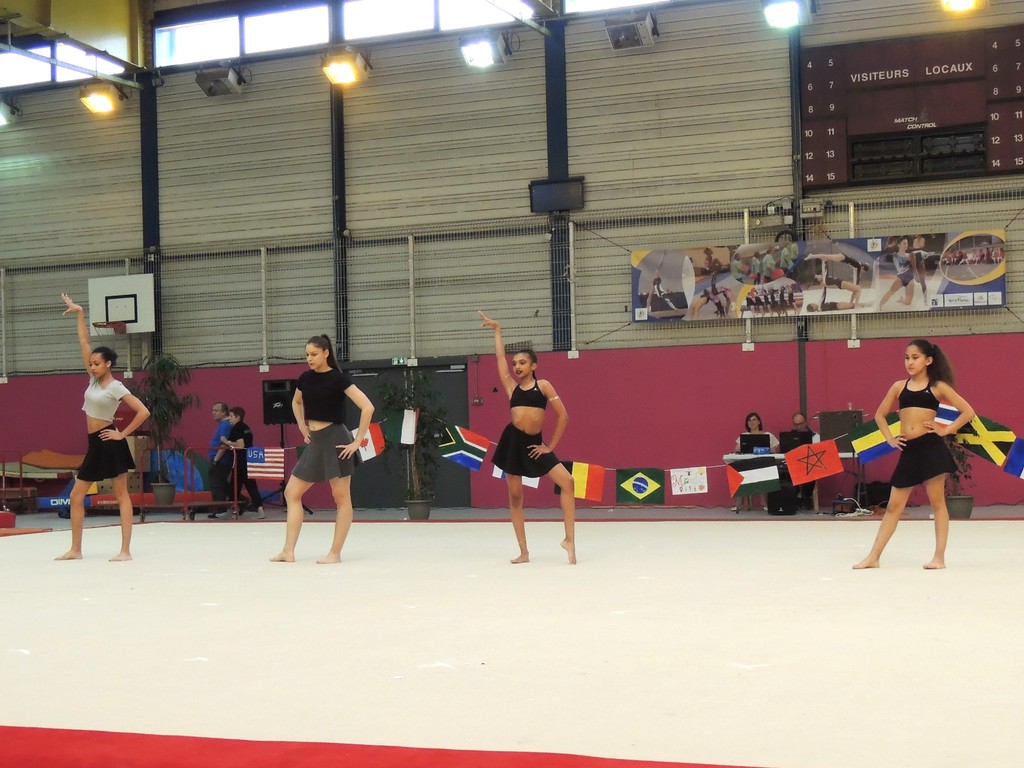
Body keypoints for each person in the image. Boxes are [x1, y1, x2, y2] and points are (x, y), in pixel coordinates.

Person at [853, 339, 975, 570]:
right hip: (909, 451)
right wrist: (889, 438)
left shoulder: (937, 386)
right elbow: (880, 415)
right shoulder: (899, 387)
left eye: (915, 358)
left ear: (928, 360)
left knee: (937, 504)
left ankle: (939, 558)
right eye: (907, 358)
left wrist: (945, 430)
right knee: (893, 506)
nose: (910, 362)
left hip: (931, 448)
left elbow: (967, 411)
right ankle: (873, 557)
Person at [57, 294, 150, 561]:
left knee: (121, 495)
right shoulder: (93, 381)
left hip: (110, 441)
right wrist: (79, 313)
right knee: (76, 496)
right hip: (94, 443)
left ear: (108, 364)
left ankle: (125, 551)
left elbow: (143, 411)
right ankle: (75, 549)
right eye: (91, 364)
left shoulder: (115, 386)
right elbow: (84, 342)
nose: (92, 367)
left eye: (96, 364)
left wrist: (122, 433)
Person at [479, 311, 576, 565]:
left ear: (533, 366)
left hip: (535, 445)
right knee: (515, 498)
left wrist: (550, 447)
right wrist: (497, 330)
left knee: (568, 481)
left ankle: (569, 540)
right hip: (513, 443)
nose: (517, 367)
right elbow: (499, 358)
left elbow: (564, 416)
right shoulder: (511, 387)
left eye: (522, 363)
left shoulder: (543, 386)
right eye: (515, 364)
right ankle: (524, 551)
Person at [271, 334, 374, 564]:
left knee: (341, 497)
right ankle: (288, 551)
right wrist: (301, 425)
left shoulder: (338, 379)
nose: (309, 358)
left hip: (336, 439)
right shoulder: (305, 378)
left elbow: (367, 407)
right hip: (315, 441)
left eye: (314, 354)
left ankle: (335, 553)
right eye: (307, 354)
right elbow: (296, 401)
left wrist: (357, 441)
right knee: (292, 493)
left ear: (326, 353)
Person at [221, 406, 265, 519]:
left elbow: (241, 445)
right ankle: (259, 510)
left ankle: (230, 512)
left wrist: (226, 441)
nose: (229, 419)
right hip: (248, 460)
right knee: (250, 486)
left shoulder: (237, 428)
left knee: (234, 487)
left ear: (238, 417)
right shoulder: (247, 428)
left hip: (240, 461)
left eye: (231, 416)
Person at [732, 412, 780, 512]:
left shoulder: (768, 435)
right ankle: (741, 503)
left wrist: (767, 449)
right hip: (747, 464)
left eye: (754, 419)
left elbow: (774, 450)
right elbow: (736, 449)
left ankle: (764, 501)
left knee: (759, 470)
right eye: (749, 420)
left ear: (759, 422)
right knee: (740, 470)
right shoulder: (744, 436)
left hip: (763, 464)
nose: (751, 422)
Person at [206, 401, 233, 518]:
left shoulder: (225, 425)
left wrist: (215, 460)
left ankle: (221, 510)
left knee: (217, 485)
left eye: (216, 411)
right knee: (221, 484)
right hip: (218, 459)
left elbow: (224, 444)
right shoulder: (223, 424)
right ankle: (242, 501)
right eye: (213, 410)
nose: (213, 413)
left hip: (221, 460)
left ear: (224, 412)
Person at [789, 411, 820, 509]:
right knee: (784, 473)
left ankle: (806, 497)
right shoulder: (789, 437)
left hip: (810, 465)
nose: (798, 427)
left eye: (801, 424)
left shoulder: (815, 437)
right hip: (793, 465)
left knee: (809, 472)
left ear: (805, 422)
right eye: (796, 424)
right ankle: (793, 497)